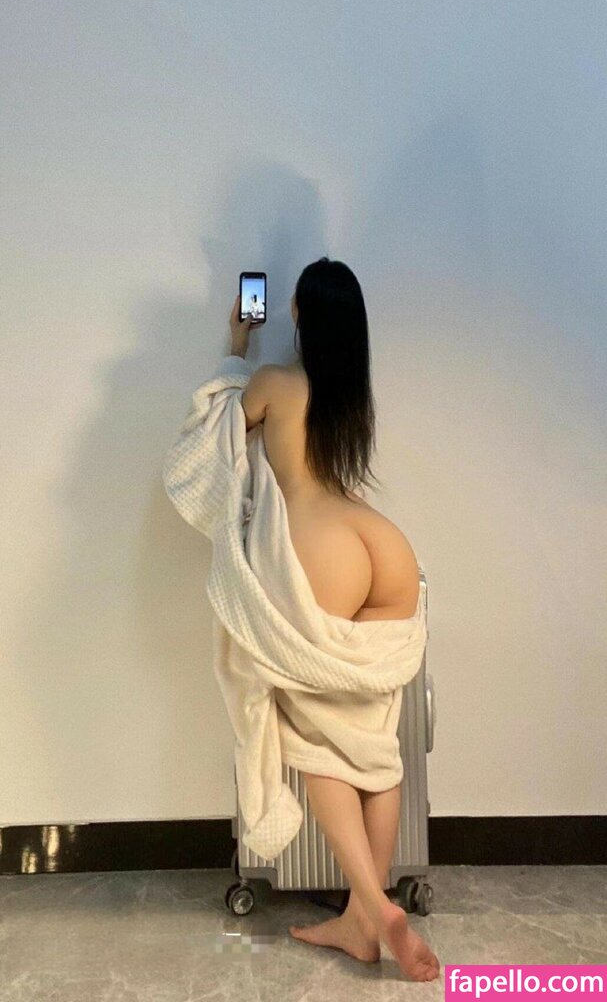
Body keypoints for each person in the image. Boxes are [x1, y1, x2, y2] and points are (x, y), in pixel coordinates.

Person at [229, 257, 440, 982]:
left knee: (317, 737)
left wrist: (236, 342)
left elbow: (219, 437)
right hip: (382, 544)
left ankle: (374, 907)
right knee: (373, 742)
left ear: (296, 312)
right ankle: (360, 920)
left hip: (322, 547)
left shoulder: (275, 383)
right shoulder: (353, 391)